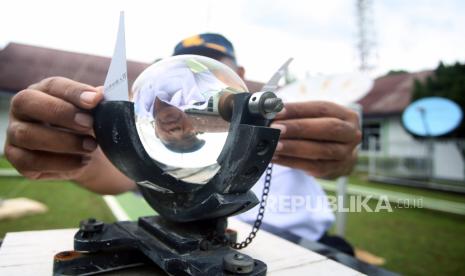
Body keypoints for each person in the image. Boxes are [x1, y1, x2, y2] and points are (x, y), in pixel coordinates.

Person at [4, 33, 361, 253]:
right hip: (191, 240)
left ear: (242, 76)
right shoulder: (165, 132)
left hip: (303, 247)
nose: (194, 96)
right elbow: (109, 174)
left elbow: (340, 162)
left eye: (212, 75)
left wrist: (340, 154)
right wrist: (68, 146)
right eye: (184, 83)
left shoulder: (283, 112)